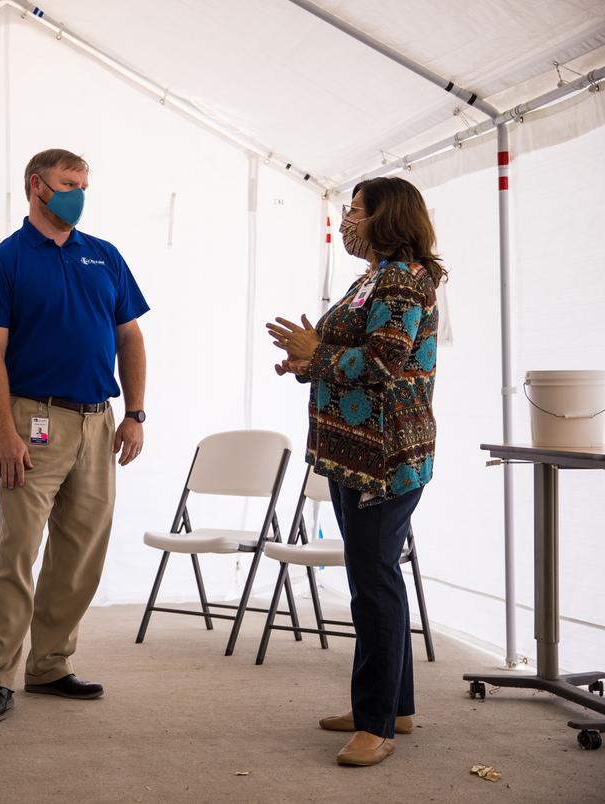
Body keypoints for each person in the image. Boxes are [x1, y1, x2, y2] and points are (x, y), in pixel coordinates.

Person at [0, 148, 149, 723]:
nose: (79, 194)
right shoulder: (5, 262)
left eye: (85, 185)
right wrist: (4, 431)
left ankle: (49, 665)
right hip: (33, 421)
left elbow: (131, 338)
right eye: (69, 183)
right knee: (18, 551)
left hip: (98, 421)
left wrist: (135, 413)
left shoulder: (105, 257)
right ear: (36, 186)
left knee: (80, 554)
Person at [267, 176, 442, 766]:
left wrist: (320, 355)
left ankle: (377, 726)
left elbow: (386, 363)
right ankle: (395, 707)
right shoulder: (375, 277)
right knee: (376, 580)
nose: (347, 219)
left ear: (386, 217)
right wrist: (307, 363)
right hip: (355, 451)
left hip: (383, 459)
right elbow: (354, 354)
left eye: (356, 211)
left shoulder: (399, 279)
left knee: (373, 586)